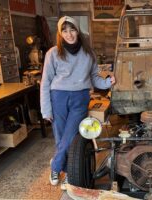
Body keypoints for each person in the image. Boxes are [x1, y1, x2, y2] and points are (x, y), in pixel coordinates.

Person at [40, 16, 115, 190]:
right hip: (57, 97)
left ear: (77, 30)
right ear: (60, 33)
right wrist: (46, 110)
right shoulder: (53, 53)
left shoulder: (88, 53)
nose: (69, 34)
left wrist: (108, 83)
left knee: (71, 136)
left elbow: (95, 78)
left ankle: (56, 166)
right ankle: (67, 171)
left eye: (72, 30)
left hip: (80, 97)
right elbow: (45, 82)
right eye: (64, 31)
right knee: (60, 137)